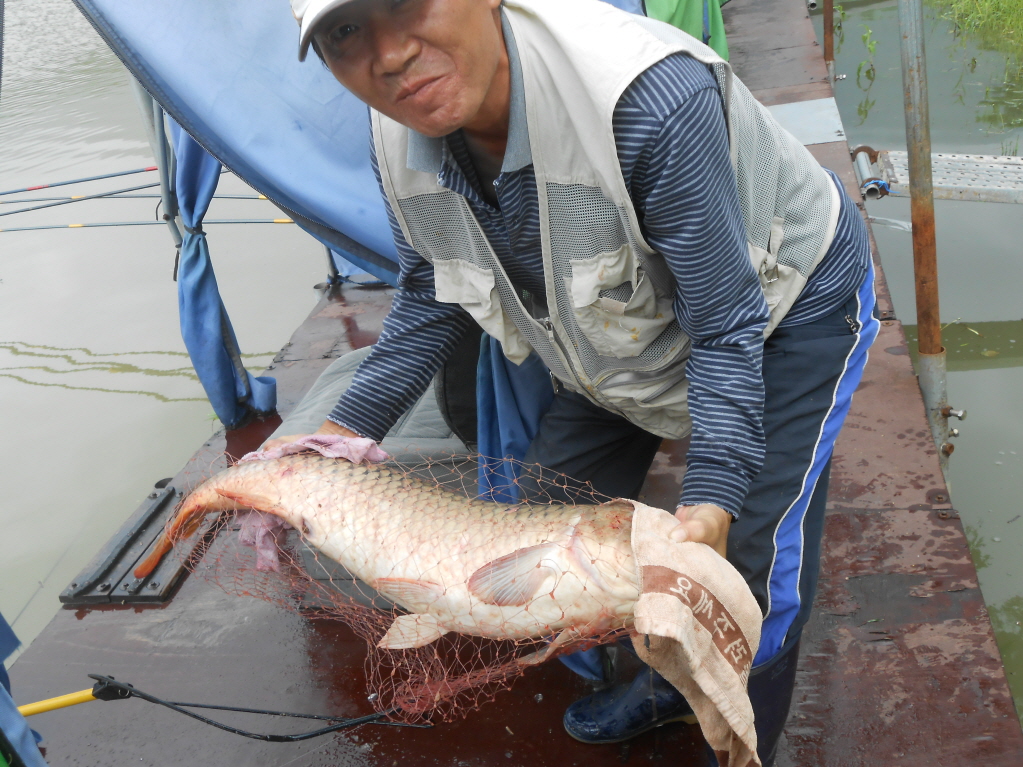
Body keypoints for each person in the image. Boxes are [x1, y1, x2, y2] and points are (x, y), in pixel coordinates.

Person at [277, 0, 878, 763]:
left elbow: (725, 323)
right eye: (344, 31)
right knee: (540, 522)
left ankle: (730, 727)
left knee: (741, 570)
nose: (389, 54)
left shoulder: (646, 98)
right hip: (617, 328)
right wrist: (338, 433)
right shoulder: (396, 129)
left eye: (405, 4)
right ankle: (665, 678)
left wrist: (712, 495)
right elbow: (430, 291)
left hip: (781, 307)